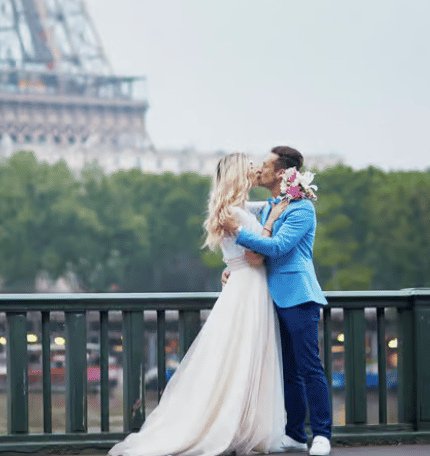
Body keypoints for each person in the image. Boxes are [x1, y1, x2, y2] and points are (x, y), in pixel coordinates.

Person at [109, 153, 287, 456]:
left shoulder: (238, 210)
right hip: (248, 289)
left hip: (247, 286)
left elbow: (254, 230)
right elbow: (255, 256)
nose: (256, 173)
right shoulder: (234, 212)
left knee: (242, 357)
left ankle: (242, 425)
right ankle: (239, 426)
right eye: (251, 170)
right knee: (244, 357)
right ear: (238, 175)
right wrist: (271, 221)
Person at [232, 145, 333, 456]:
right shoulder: (272, 207)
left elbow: (277, 247)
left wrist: (235, 232)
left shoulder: (301, 209)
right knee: (288, 369)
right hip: (272, 297)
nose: (259, 169)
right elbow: (245, 213)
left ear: (280, 172)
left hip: (299, 297)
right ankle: (294, 434)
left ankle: (322, 434)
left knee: (309, 367)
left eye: (265, 164)